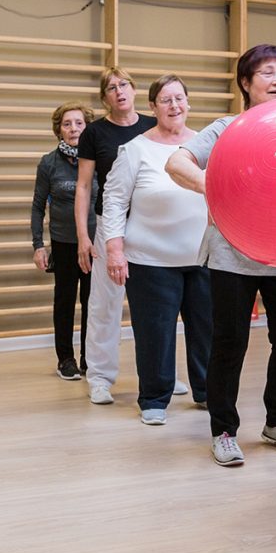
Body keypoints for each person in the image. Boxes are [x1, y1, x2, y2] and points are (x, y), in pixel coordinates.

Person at [166, 44, 276, 465]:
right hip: (232, 254)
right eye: (266, 73)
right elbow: (177, 162)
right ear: (246, 84)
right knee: (229, 343)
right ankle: (224, 429)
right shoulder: (226, 127)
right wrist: (213, 183)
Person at [103, 75, 211, 425]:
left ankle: (208, 391)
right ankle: (153, 398)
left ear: (188, 103)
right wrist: (115, 250)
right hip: (151, 261)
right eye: (166, 100)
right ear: (153, 107)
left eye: (180, 98)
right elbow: (115, 200)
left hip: (203, 257)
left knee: (208, 331)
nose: (174, 106)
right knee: (154, 334)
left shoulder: (205, 145)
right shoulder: (135, 149)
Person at [74, 68, 156, 405]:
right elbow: (83, 187)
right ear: (104, 97)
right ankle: (100, 378)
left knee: (156, 306)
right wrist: (84, 236)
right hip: (110, 224)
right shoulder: (95, 132)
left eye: (123, 84)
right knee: (105, 304)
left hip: (150, 224)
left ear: (134, 90)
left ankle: (159, 374)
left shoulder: (152, 126)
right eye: (111, 87)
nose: (119, 91)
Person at [31, 101, 96, 381]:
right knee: (65, 302)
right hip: (64, 242)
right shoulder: (48, 163)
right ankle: (65, 359)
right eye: (67, 124)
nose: (74, 129)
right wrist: (38, 245)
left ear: (87, 126)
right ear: (59, 129)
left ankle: (88, 359)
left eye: (79, 123)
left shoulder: (97, 159)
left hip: (95, 244)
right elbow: (37, 206)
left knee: (92, 303)